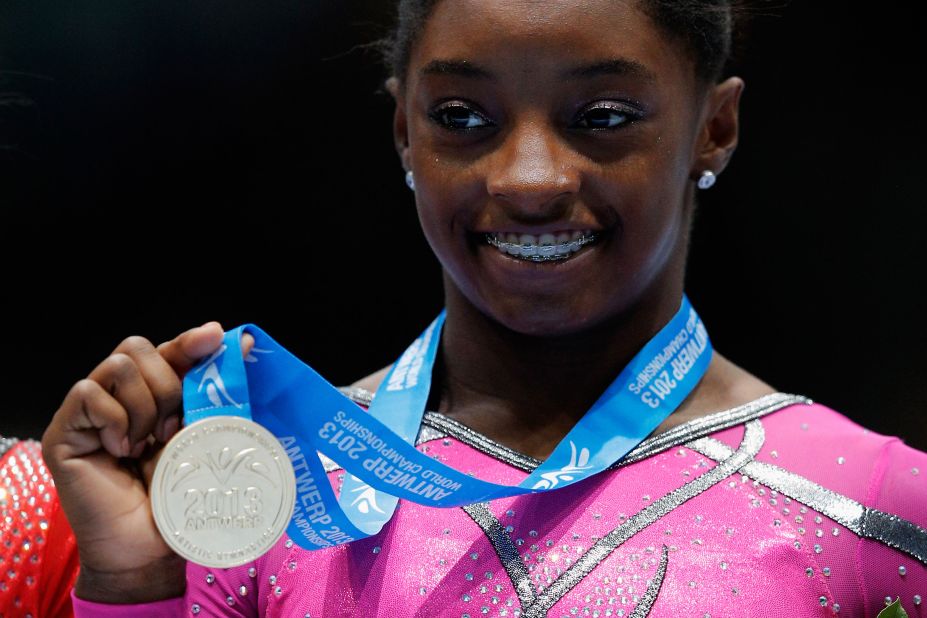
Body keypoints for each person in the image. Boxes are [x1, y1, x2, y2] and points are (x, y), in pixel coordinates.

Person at [24, 0, 927, 616]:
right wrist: (138, 583)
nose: (529, 178)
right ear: (403, 133)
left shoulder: (875, 508)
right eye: (463, 116)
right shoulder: (268, 501)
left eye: (603, 116)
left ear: (713, 128)